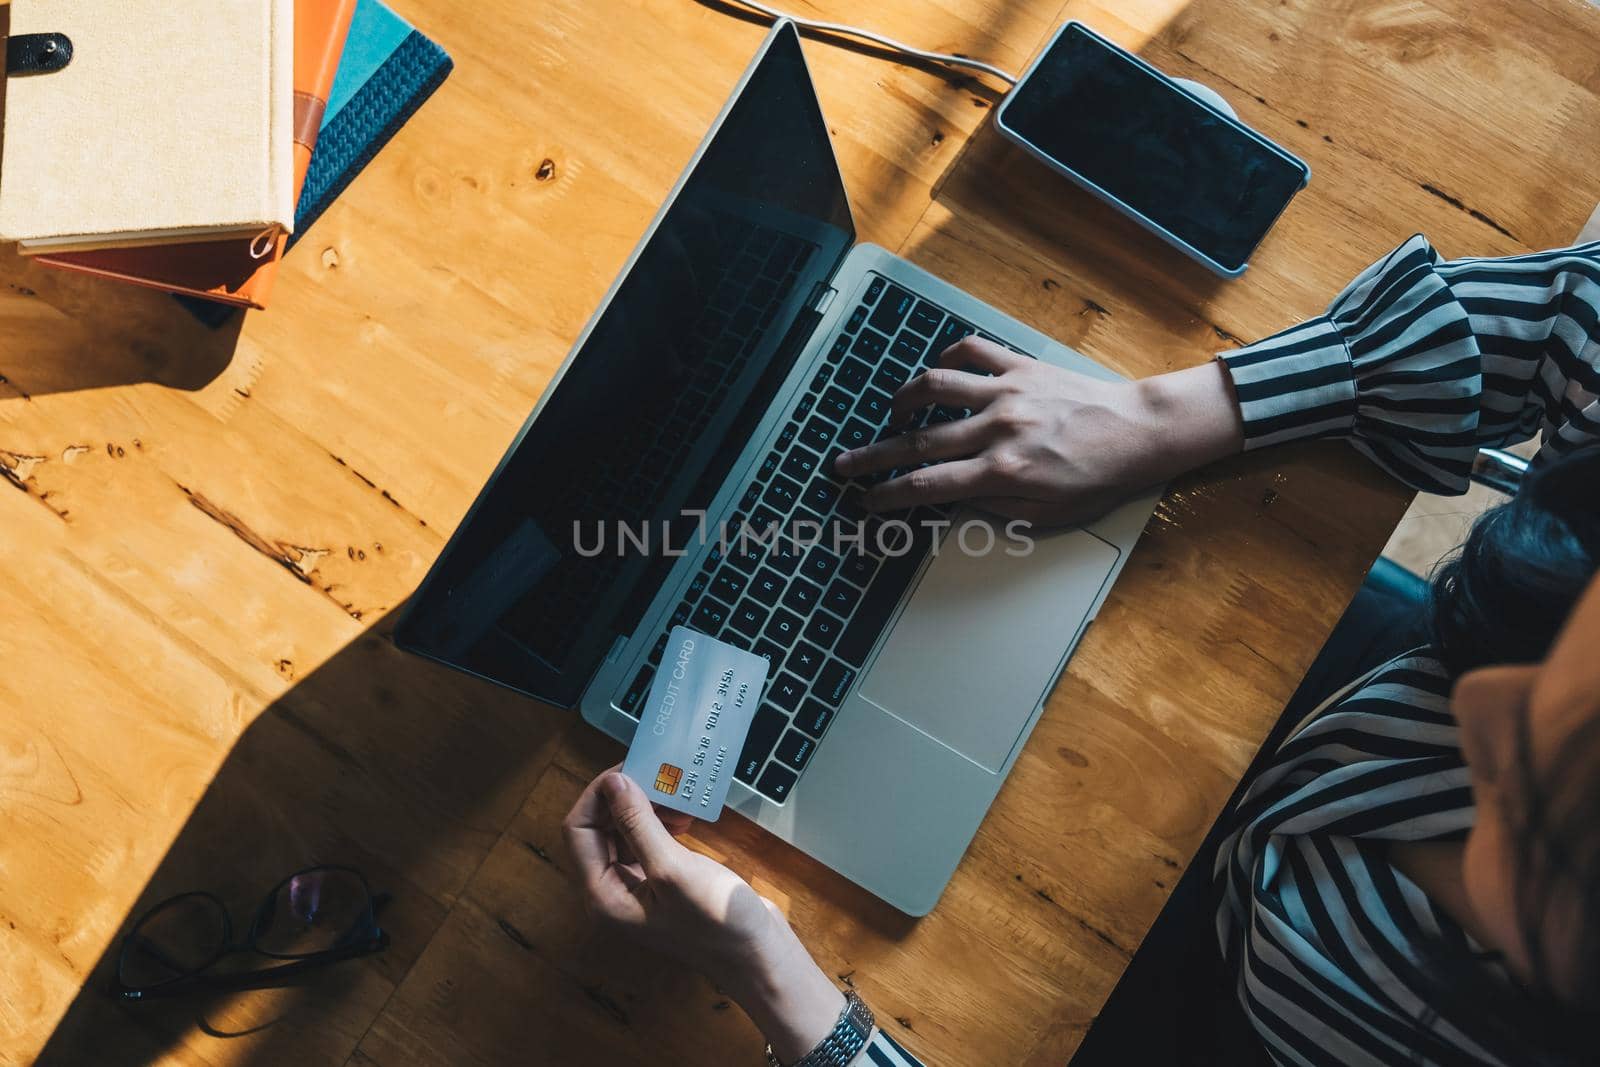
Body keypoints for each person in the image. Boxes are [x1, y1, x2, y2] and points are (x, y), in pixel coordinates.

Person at [564, 236, 1600, 1065]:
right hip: (1387, 701)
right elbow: (1571, 313)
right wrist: (1170, 412)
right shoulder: (1515, 664)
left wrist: (772, 978)